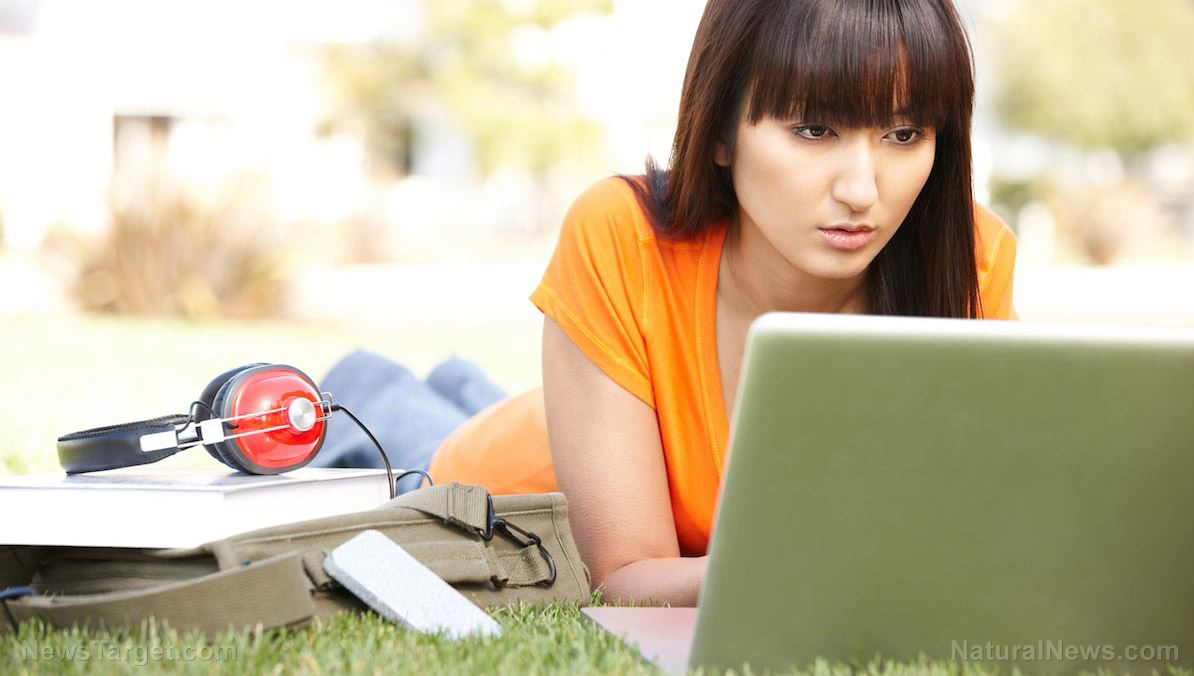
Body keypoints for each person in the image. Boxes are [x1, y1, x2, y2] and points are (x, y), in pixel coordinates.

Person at [321, 0, 1018, 608]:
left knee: (474, 393)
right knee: (387, 415)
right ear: (719, 132)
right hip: (483, 475)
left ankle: (453, 383)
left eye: (904, 135)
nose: (862, 190)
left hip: (590, 414)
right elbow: (625, 578)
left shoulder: (968, 262)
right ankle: (373, 380)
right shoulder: (620, 234)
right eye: (814, 131)